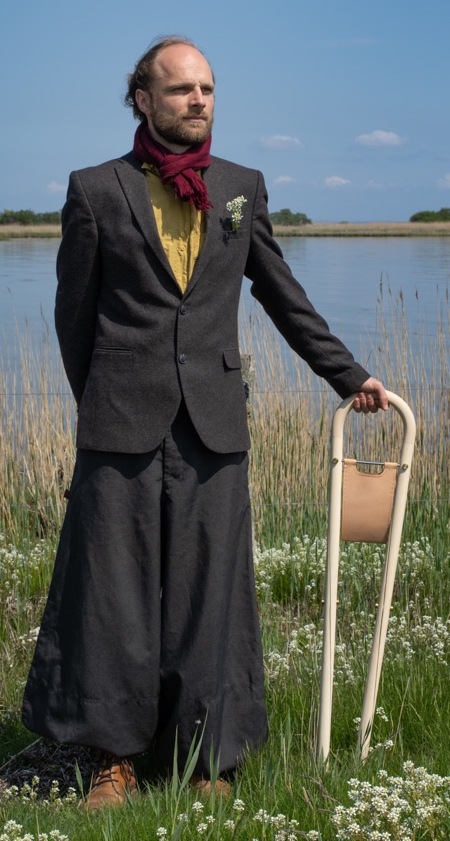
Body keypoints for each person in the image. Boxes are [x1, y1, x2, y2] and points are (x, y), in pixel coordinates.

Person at [22, 36, 388, 809]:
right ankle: (113, 758)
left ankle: (205, 759)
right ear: (143, 99)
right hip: (118, 422)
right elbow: (72, 319)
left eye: (208, 89)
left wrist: (348, 375)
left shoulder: (240, 187)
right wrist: (103, 402)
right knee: (113, 595)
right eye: (181, 88)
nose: (198, 100)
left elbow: (283, 296)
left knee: (210, 596)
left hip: (215, 425)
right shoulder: (96, 189)